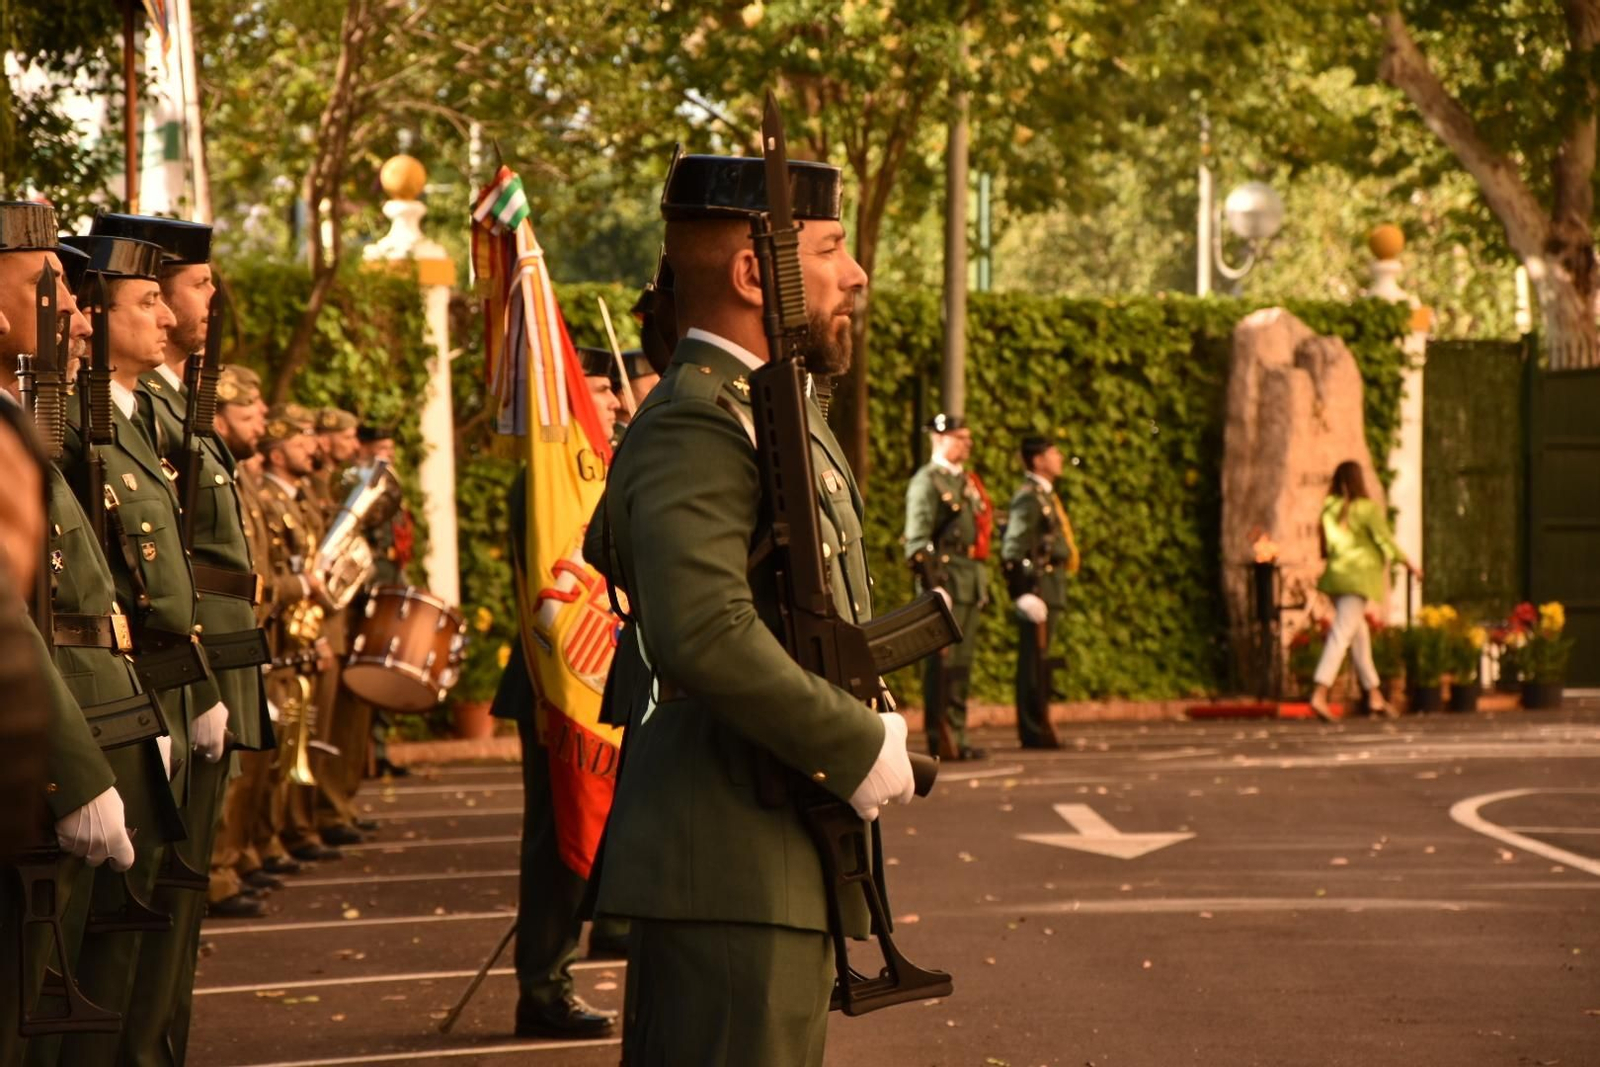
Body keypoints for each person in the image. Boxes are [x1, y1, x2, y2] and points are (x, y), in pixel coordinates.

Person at [591, 150, 916, 1066]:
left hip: (769, 848)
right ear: (751, 272)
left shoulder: (767, 410)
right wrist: (853, 742)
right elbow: (702, 629)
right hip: (728, 860)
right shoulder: (700, 417)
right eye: (829, 249)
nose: (854, 274)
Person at [55, 230, 230, 1067]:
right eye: (147, 299)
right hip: (110, 695)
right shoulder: (71, 427)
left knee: (152, 908)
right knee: (99, 928)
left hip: (157, 681)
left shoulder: (129, 416)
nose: (165, 312)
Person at [492, 344, 623, 1039]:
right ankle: (543, 986)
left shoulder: (613, 465)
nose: (608, 402)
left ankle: (606, 935)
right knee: (556, 840)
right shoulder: (548, 482)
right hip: (558, 682)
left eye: (608, 392)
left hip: (615, 677)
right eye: (595, 391)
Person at [254, 404, 341, 863]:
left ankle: (282, 835)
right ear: (274, 450)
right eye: (301, 439)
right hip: (278, 636)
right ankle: (266, 841)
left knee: (294, 743)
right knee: (274, 751)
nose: (313, 446)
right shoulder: (267, 498)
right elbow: (279, 572)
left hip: (301, 633)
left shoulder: (295, 496)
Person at [903, 412, 992, 760]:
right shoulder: (927, 481)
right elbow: (917, 541)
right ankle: (940, 737)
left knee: (961, 663)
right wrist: (933, 587)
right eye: (960, 438)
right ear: (939, 439)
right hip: (946, 581)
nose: (967, 444)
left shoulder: (965, 481)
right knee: (941, 665)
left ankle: (957, 733)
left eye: (968, 438)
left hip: (969, 579)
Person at [1309, 460, 1420, 721]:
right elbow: (1385, 540)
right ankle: (1320, 692)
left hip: (1336, 579)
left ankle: (1374, 695)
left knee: (1360, 635)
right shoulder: (1366, 509)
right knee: (1341, 634)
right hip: (1358, 580)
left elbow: (1327, 543)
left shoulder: (1330, 508)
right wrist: (1410, 565)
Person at [1001, 436, 1080, 750]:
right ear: (1037, 460)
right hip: (1038, 587)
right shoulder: (1029, 498)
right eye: (1053, 453)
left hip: (1052, 586)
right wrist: (1022, 592)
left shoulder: (1045, 495)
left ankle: (1040, 723)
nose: (1059, 457)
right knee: (1033, 662)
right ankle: (1033, 728)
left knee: (1042, 662)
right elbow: (1013, 548)